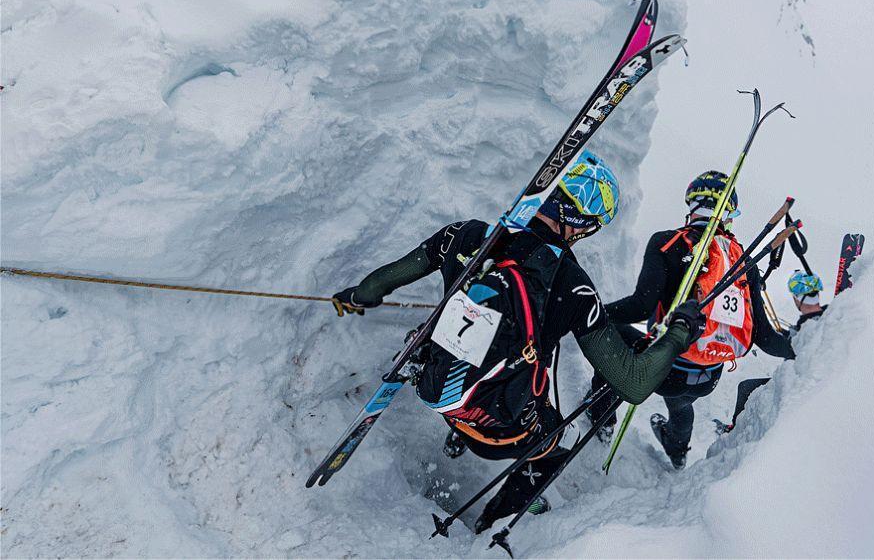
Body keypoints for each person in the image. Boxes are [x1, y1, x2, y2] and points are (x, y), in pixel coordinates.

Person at [332, 150, 705, 533]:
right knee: (558, 440)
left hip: (437, 391)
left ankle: (455, 434)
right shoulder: (574, 287)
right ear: (580, 224)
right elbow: (634, 383)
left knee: (470, 358)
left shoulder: (465, 235)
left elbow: (385, 280)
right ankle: (495, 522)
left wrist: (358, 295)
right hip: (505, 431)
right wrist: (680, 331)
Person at [586, 171, 819, 470]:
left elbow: (640, 307)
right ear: (728, 213)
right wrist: (809, 350)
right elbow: (764, 337)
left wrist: (591, 312)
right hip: (707, 376)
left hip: (664, 368)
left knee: (613, 331)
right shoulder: (743, 261)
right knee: (681, 403)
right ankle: (677, 450)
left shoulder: (666, 243)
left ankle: (601, 416)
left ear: (692, 204)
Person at [715, 269, 826, 434]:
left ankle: (735, 432)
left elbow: (772, 342)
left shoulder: (808, 328)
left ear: (797, 298)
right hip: (814, 381)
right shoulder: (828, 317)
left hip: (801, 385)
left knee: (746, 388)